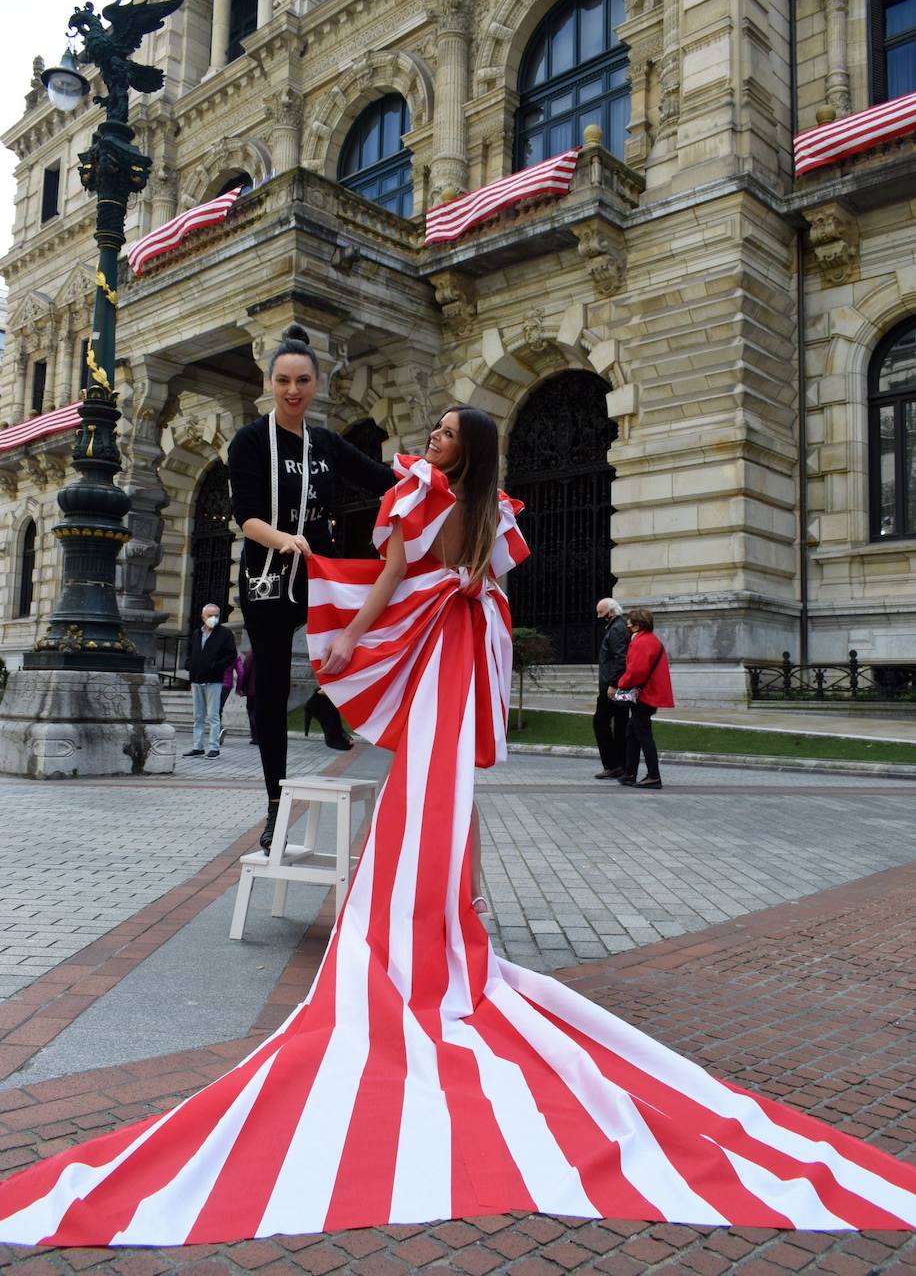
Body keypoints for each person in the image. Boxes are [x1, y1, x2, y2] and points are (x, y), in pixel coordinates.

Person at [0, 410, 913, 1243]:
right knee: (425, 793)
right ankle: (426, 929)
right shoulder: (424, 501)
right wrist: (357, 632)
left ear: (468, 451)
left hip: (458, 652)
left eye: (443, 435)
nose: (431, 441)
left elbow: (475, 588)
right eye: (431, 433)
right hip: (442, 649)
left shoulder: (485, 511)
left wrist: (425, 626)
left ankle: (431, 932)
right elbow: (397, 571)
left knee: (438, 796)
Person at [227, 323, 395, 851]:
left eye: (302, 380)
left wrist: (433, 479)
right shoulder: (250, 440)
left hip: (321, 572)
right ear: (270, 383)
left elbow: (381, 479)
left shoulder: (325, 442)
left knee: (367, 632)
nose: (292, 390)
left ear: (316, 384)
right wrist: (284, 539)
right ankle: (275, 803)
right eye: (283, 380)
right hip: (267, 576)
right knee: (272, 688)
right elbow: (246, 516)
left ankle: (326, 702)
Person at [613, 606, 675, 788]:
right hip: (648, 693)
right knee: (632, 732)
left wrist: (621, 683)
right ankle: (630, 773)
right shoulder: (650, 640)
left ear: (639, 624)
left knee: (643, 734)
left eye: (630, 622)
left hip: (644, 695)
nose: (628, 624)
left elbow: (637, 671)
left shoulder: (641, 642)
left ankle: (653, 776)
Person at [182, 603, 237, 758]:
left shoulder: (225, 634)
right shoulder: (197, 633)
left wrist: (216, 667)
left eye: (217, 615)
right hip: (196, 679)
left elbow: (231, 655)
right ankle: (197, 746)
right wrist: (189, 665)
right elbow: (190, 651)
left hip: (213, 680)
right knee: (198, 716)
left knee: (213, 715)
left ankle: (214, 747)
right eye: (210, 615)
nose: (214, 618)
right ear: (203, 617)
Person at [592, 596, 629, 778]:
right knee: (620, 724)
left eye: (601, 613)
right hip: (616, 684)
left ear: (612, 612)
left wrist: (613, 684)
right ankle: (620, 764)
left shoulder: (616, 629)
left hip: (612, 686)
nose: (599, 617)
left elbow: (620, 659)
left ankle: (613, 764)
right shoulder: (618, 627)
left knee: (600, 723)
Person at [218, 651, 245, 746]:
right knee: (219, 708)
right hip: (227, 685)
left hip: (215, 684)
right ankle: (218, 731)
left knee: (214, 709)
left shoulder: (218, 651)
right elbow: (241, 672)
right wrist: (239, 688)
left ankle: (219, 730)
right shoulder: (235, 655)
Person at [240, 647, 257, 744]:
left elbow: (245, 669)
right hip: (265, 691)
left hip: (253, 690)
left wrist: (242, 686)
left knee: (252, 712)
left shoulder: (252, 652)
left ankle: (256, 736)